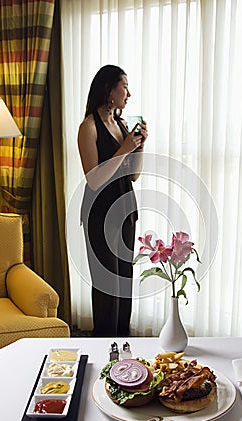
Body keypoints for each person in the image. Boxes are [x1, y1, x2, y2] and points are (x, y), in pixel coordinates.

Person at [78, 65, 147, 337]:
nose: (128, 94)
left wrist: (140, 147)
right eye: (124, 87)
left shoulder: (121, 125)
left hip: (126, 212)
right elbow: (94, 179)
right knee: (107, 286)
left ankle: (123, 344)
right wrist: (125, 149)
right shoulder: (88, 128)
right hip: (100, 215)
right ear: (109, 89)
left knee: (124, 282)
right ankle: (104, 346)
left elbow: (134, 176)